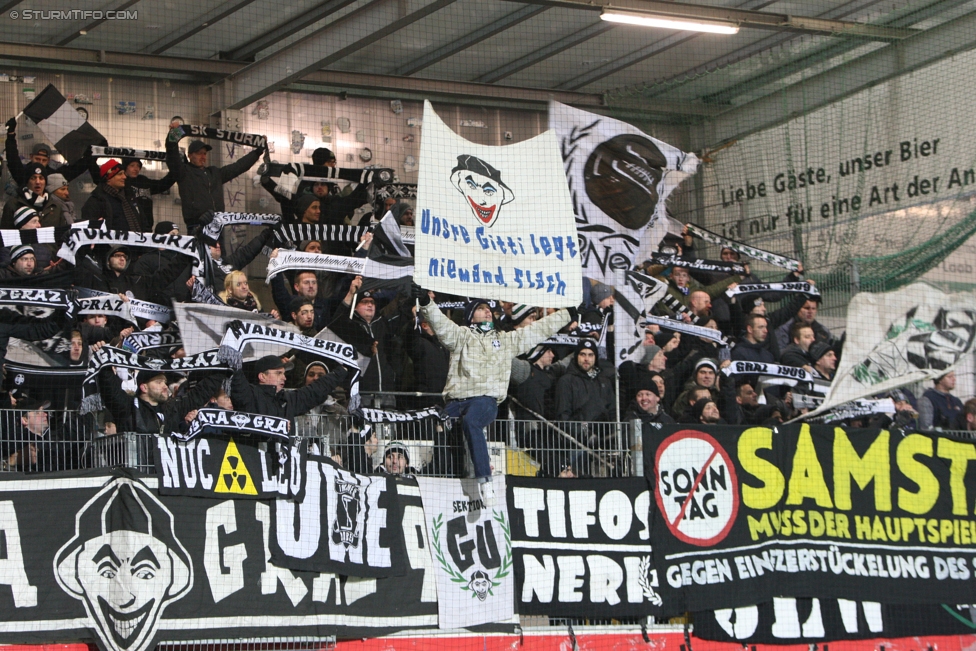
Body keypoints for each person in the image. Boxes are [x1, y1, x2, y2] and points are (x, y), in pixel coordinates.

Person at [416, 287, 571, 504]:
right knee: (440, 428)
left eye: (488, 308)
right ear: (471, 316)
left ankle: (485, 480)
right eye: (481, 308)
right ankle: (442, 481)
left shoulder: (504, 340)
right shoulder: (461, 335)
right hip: (456, 400)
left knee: (472, 421)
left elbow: (536, 330)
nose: (487, 312)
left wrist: (567, 314)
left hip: (485, 400)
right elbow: (440, 323)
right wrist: (425, 302)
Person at [165, 120, 266, 233]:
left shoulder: (214, 173)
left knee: (218, 251)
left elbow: (238, 167)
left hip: (218, 224)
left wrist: (258, 151)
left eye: (204, 153)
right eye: (199, 153)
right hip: (197, 226)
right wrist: (173, 135)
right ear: (189, 155)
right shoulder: (183, 172)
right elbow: (172, 154)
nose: (203, 156)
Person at [100, 369, 226, 435]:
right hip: (137, 476)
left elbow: (201, 392)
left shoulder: (173, 407)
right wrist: (104, 363)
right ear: (144, 387)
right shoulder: (128, 407)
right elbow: (110, 390)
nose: (165, 386)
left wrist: (221, 367)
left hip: (166, 477)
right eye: (158, 382)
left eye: (165, 382)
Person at [230, 354, 348, 420]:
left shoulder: (288, 399)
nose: (284, 378)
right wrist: (232, 343)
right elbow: (236, 379)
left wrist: (342, 370)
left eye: (284, 374)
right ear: (262, 377)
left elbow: (315, 390)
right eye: (278, 373)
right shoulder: (250, 394)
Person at [81, 159, 149, 232]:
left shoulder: (129, 197)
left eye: (124, 174)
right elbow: (90, 232)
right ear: (108, 178)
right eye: (120, 174)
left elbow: (144, 221)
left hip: (138, 242)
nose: (124, 177)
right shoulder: (96, 202)